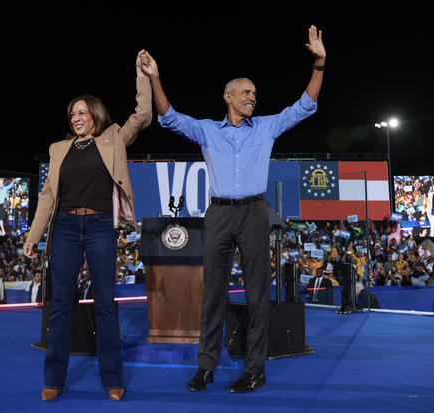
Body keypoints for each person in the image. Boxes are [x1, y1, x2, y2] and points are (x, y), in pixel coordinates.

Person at [140, 25, 325, 393]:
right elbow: (169, 117)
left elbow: (304, 106)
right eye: (245, 92)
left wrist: (319, 64)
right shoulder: (208, 130)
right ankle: (205, 367)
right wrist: (155, 79)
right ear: (228, 97)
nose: (252, 97)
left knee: (257, 294)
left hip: (255, 212)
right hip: (220, 214)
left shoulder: (267, 127)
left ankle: (254, 370)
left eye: (255, 93)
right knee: (213, 295)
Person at [23, 50, 152, 402]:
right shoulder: (58, 149)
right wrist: (33, 237)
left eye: (81, 112)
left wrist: (142, 74)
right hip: (64, 228)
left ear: (94, 113)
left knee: (106, 304)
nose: (76, 118)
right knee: (61, 304)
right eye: (72, 114)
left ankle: (112, 378)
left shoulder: (113, 139)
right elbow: (48, 196)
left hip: (99, 229)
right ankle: (54, 378)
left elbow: (142, 115)